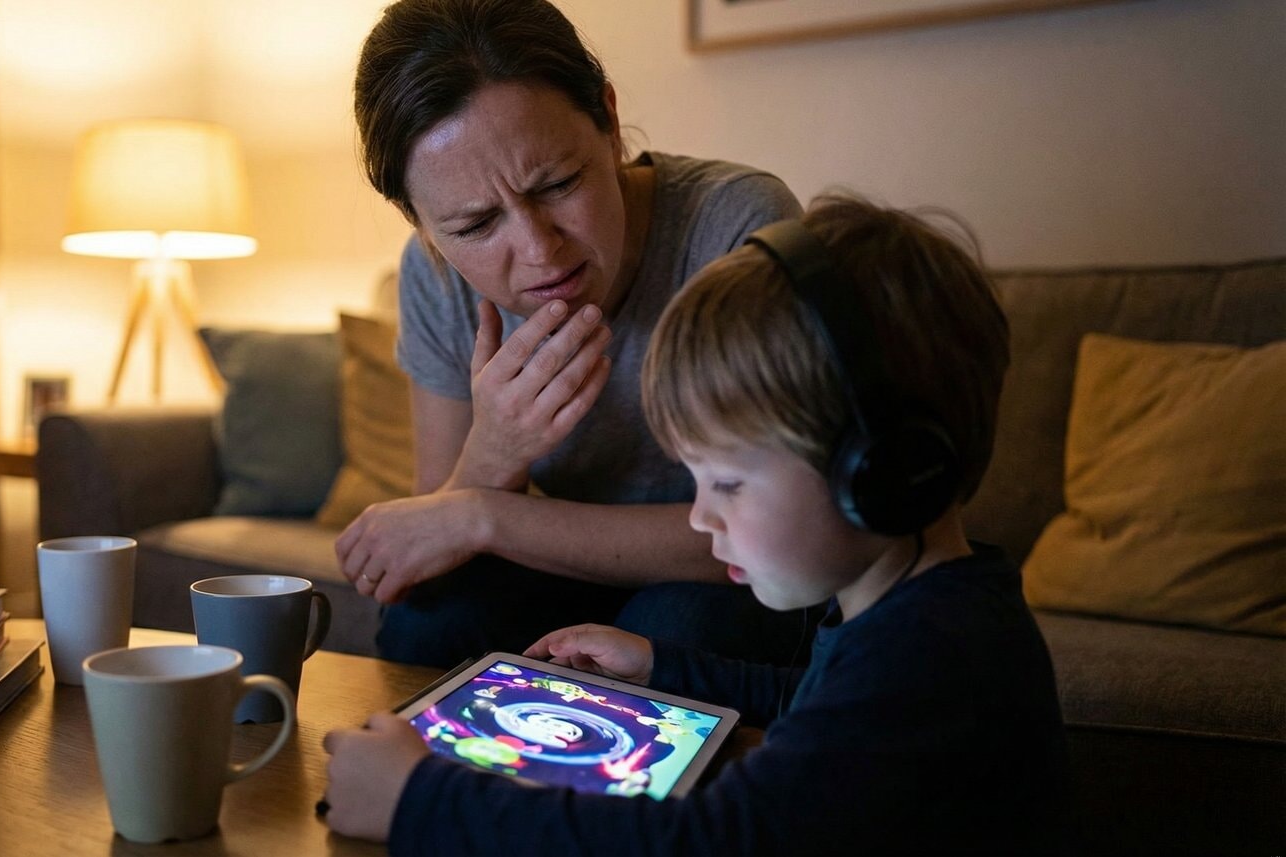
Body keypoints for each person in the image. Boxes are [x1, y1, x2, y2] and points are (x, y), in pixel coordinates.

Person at [321, 195, 1074, 854]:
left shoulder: (934, 658)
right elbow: (807, 698)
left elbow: (709, 841)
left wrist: (420, 798)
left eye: (728, 482)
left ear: (880, 470)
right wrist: (663, 667)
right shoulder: (916, 610)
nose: (701, 514)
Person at [341, 0, 815, 668]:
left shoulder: (737, 229)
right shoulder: (436, 276)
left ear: (610, 122)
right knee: (430, 620)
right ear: (420, 222)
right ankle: (424, 775)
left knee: (676, 624)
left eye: (559, 183)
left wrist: (485, 514)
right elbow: (431, 548)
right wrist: (492, 454)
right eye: (475, 226)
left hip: (728, 575)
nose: (539, 249)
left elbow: (777, 528)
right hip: (553, 572)